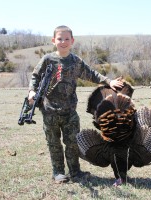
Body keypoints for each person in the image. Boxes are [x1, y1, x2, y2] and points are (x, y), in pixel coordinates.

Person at [27, 25, 123, 183]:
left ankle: (75, 172)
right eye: (59, 39)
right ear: (53, 41)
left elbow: (92, 74)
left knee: (72, 143)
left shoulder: (75, 61)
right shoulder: (47, 59)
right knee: (54, 143)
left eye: (66, 39)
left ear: (72, 41)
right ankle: (58, 172)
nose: (63, 42)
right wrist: (32, 91)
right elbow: (35, 77)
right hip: (49, 110)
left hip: (70, 112)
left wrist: (109, 81)